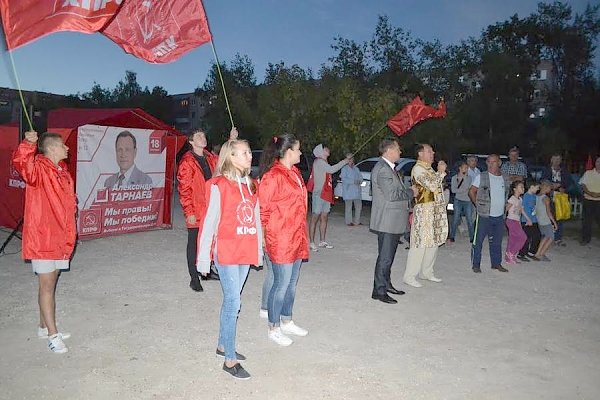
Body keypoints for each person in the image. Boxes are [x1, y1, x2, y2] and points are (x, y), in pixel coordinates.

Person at [196, 139, 263, 380]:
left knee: (232, 299)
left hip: (245, 250)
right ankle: (230, 360)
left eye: (248, 152)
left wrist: (258, 250)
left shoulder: (252, 185)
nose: (249, 156)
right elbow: (208, 223)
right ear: (231, 157)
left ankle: (223, 345)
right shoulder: (218, 185)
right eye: (244, 153)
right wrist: (203, 259)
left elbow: (255, 220)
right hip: (226, 252)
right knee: (234, 302)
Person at [12, 131, 76, 354]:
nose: (67, 149)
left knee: (51, 283)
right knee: (46, 287)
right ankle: (52, 335)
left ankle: (42, 326)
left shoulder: (62, 172)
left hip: (60, 238)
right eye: (63, 146)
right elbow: (21, 163)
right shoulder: (38, 168)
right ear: (51, 149)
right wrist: (28, 144)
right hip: (44, 238)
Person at [258, 134, 310, 346]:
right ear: (288, 151)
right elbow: (263, 210)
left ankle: (287, 319)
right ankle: (273, 326)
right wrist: (263, 237)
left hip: (296, 235)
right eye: (298, 149)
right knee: (280, 284)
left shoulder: (295, 173)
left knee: (292, 283)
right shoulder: (273, 176)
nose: (300, 153)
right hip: (280, 238)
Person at [177, 128, 238, 292]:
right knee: (194, 242)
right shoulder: (187, 162)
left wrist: (231, 141)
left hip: (211, 207)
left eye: (203, 135)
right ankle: (194, 278)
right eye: (198, 136)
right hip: (196, 208)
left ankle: (207, 270)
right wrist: (189, 212)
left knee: (211, 240)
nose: (202, 138)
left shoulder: (210, 157)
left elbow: (226, 159)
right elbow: (184, 189)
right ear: (191, 141)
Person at [402, 144, 448, 288]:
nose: (433, 153)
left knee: (433, 241)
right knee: (419, 243)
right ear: (420, 154)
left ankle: (426, 272)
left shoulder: (429, 168)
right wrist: (440, 172)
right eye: (429, 151)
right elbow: (432, 186)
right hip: (424, 210)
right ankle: (409, 276)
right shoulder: (418, 169)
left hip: (434, 209)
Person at [369, 139, 408, 304]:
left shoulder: (389, 168)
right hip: (387, 220)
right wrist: (411, 192)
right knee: (385, 258)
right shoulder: (383, 170)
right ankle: (379, 291)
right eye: (398, 149)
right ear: (389, 151)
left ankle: (386, 284)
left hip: (392, 220)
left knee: (389, 256)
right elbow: (392, 195)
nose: (400, 152)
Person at [469, 154, 510, 273]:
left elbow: (506, 193)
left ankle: (496, 263)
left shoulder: (504, 178)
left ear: (499, 163)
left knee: (497, 241)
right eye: (489, 162)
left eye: (494, 162)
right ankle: (476, 264)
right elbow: (471, 191)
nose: (491, 164)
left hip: (499, 216)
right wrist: (477, 205)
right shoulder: (481, 176)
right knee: (478, 241)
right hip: (484, 215)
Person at [308, 144, 348, 251]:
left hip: (325, 193)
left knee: (324, 217)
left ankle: (322, 241)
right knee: (315, 218)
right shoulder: (319, 162)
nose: (327, 149)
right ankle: (311, 242)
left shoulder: (324, 162)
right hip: (319, 193)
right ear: (321, 153)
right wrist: (344, 161)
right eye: (325, 149)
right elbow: (332, 170)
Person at [541, 154, 572, 246]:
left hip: (561, 197)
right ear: (551, 160)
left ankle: (558, 238)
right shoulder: (546, 170)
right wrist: (551, 185)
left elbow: (569, 182)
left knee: (559, 217)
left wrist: (562, 186)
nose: (556, 161)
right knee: (546, 216)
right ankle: (546, 236)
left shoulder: (564, 171)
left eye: (558, 159)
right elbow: (542, 181)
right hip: (548, 196)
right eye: (555, 159)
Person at [448, 160, 474, 243]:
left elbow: (468, 187)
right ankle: (452, 236)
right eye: (465, 168)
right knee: (455, 218)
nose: (466, 170)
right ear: (460, 168)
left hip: (468, 200)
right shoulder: (454, 178)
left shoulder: (469, 178)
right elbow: (453, 190)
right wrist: (463, 189)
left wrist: (464, 178)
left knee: (469, 219)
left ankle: (472, 237)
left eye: (467, 168)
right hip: (458, 200)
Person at [532, 181, 558, 261]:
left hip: (539, 220)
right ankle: (541, 254)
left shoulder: (536, 196)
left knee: (546, 236)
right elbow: (548, 212)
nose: (550, 190)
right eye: (550, 188)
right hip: (545, 220)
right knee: (551, 237)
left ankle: (538, 253)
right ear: (546, 187)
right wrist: (554, 222)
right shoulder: (545, 198)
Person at [504, 181, 528, 264]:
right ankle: (511, 253)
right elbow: (506, 209)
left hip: (516, 221)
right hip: (511, 220)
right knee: (523, 237)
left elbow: (521, 210)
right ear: (515, 189)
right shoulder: (512, 199)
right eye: (521, 187)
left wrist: (528, 219)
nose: (523, 188)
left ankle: (509, 257)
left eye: (523, 187)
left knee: (513, 239)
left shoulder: (520, 199)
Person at [517, 181, 541, 261]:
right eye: (537, 187)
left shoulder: (534, 196)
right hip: (526, 220)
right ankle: (521, 254)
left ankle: (531, 252)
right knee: (526, 238)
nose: (538, 189)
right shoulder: (526, 196)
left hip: (534, 220)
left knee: (537, 236)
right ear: (531, 187)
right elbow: (522, 209)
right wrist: (528, 219)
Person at [579, 157, 600, 246]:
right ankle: (585, 239)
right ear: (595, 163)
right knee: (587, 221)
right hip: (588, 199)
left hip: (599, 201)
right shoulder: (588, 173)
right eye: (598, 161)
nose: (599, 163)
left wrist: (598, 195)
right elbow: (583, 185)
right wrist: (590, 193)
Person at [340, 153, 363, 226]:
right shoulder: (344, 169)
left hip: (357, 191)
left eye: (351, 158)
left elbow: (361, 177)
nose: (350, 160)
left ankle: (357, 221)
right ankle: (348, 221)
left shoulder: (356, 168)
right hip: (348, 191)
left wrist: (360, 181)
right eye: (348, 159)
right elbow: (344, 179)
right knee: (349, 207)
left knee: (358, 206)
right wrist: (353, 181)